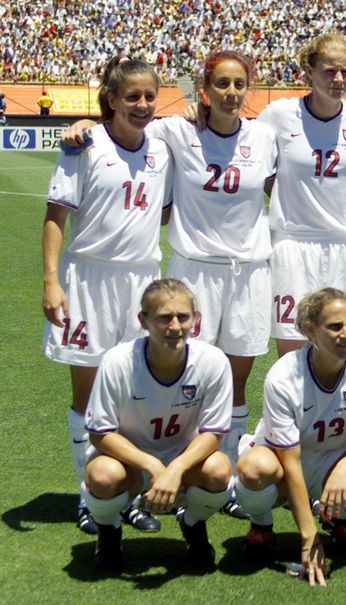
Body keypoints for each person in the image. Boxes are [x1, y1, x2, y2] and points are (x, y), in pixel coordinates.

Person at [65, 50, 277, 519]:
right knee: (181, 379)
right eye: (221, 84)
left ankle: (221, 482)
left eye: (239, 84)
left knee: (234, 384)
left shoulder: (265, 137)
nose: (231, 92)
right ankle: (126, 483)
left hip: (250, 271)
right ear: (203, 88)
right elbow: (124, 124)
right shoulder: (175, 131)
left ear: (249, 89)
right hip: (193, 270)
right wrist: (84, 122)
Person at [43, 57, 172, 536]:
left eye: (148, 96)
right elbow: (55, 217)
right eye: (131, 96)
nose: (141, 105)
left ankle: (132, 495)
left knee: (134, 395)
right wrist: (51, 281)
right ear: (111, 100)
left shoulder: (161, 147)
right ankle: (89, 494)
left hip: (142, 282)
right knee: (89, 393)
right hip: (88, 280)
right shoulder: (86, 145)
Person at [235, 288, 346, 586]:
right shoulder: (283, 376)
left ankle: (334, 513)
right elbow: (290, 460)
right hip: (280, 460)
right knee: (252, 470)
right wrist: (308, 537)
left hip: (332, 457)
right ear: (310, 330)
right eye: (335, 326)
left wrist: (345, 468)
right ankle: (262, 523)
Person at [82, 278, 234, 571]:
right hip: (129, 461)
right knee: (102, 476)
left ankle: (192, 524)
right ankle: (109, 532)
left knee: (219, 470)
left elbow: (213, 433)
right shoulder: (117, 361)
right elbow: (100, 434)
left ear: (196, 320)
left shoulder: (212, 361)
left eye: (183, 317)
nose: (175, 327)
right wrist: (152, 466)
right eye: (164, 317)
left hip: (184, 459)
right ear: (143, 320)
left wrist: (175, 469)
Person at [255, 33, 346, 358]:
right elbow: (259, 169)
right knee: (293, 351)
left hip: (343, 245)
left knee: (340, 349)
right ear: (309, 71)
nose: (338, 80)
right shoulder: (277, 115)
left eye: (345, 72)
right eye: (329, 71)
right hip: (293, 244)